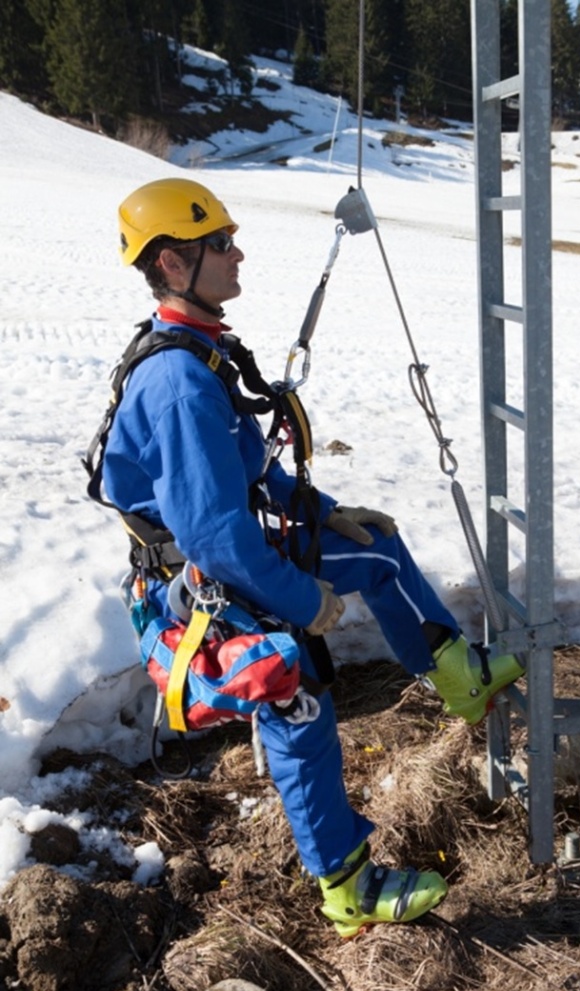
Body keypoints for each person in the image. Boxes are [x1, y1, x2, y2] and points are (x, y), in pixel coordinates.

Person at [102, 177, 524, 939]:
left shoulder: (197, 353)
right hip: (202, 580)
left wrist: (327, 514)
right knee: (295, 699)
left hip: (222, 555)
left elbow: (247, 469)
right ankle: (347, 886)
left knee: (375, 549)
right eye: (219, 243)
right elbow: (213, 536)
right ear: (171, 263)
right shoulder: (178, 382)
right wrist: (304, 601)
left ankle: (458, 676)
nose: (237, 254)